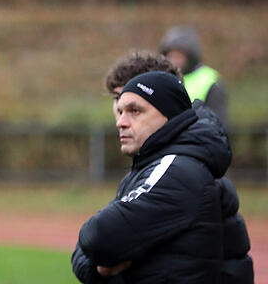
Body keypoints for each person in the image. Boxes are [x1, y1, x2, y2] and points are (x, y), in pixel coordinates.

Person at [72, 68, 254, 283]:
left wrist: (99, 261)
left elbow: (97, 237)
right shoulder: (159, 166)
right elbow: (84, 252)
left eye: (135, 111)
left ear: (170, 114)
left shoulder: (178, 170)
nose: (120, 122)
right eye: (120, 111)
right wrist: (96, 268)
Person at [159, 25, 229, 129]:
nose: (174, 61)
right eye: (171, 56)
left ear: (190, 57)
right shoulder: (161, 78)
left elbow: (219, 123)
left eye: (179, 56)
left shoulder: (209, 80)